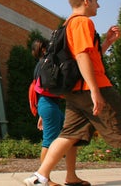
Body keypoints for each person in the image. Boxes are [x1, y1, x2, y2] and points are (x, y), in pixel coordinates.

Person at [23, 0, 121, 186]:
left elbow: (89, 56)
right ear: (86, 1)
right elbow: (81, 56)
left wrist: (107, 43)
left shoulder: (66, 25)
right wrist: (95, 90)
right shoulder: (82, 22)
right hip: (92, 87)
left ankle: (39, 177)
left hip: (75, 92)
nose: (99, 5)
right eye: (96, 1)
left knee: (69, 134)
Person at [29, 39, 89, 186]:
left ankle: (71, 176)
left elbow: (39, 89)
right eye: (48, 46)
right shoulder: (47, 63)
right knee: (49, 141)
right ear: (43, 49)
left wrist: (42, 114)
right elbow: (46, 88)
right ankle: (45, 179)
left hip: (49, 105)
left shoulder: (41, 65)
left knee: (72, 137)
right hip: (48, 105)